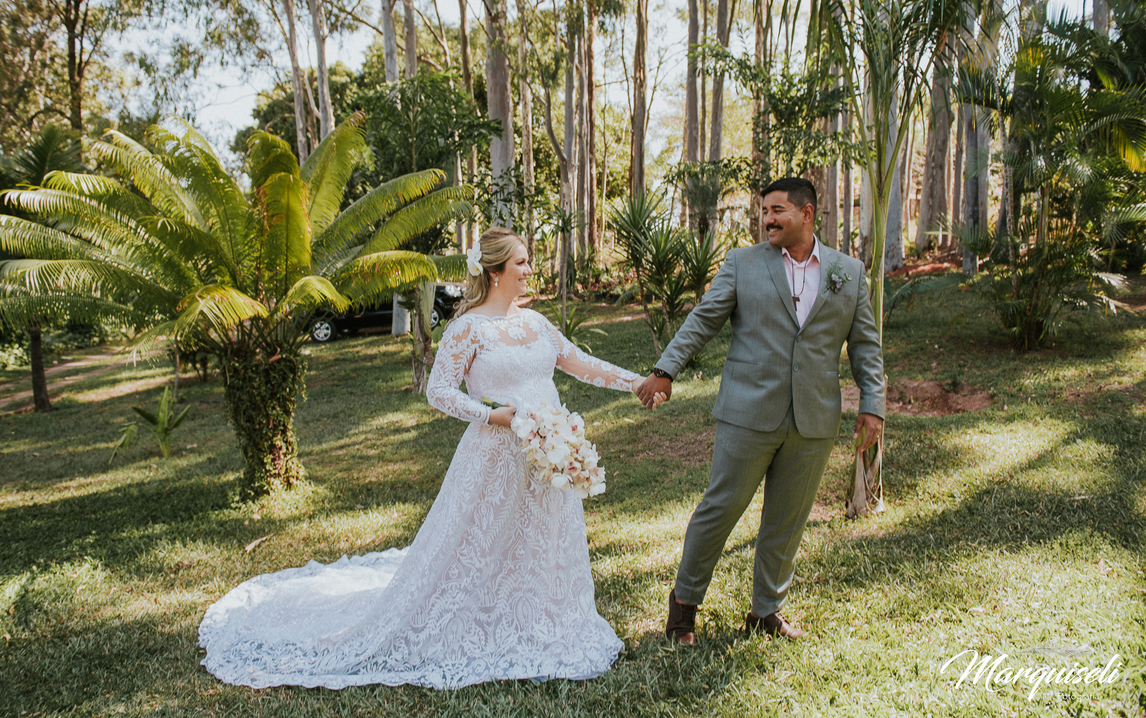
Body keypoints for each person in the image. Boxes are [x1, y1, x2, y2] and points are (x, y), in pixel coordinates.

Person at [199, 226, 655, 689]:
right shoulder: (467, 329)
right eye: (520, 262)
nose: (528, 269)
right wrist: (491, 415)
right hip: (495, 457)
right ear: (495, 272)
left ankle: (545, 619)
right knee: (482, 542)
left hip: (547, 459)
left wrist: (637, 381)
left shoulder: (537, 324)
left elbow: (580, 362)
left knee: (542, 542)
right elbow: (437, 392)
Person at [637, 177, 885, 644]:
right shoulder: (743, 263)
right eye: (764, 212)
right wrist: (665, 369)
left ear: (807, 214)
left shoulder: (847, 272)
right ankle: (683, 611)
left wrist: (872, 406)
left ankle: (765, 611)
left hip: (813, 419)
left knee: (787, 520)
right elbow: (704, 319)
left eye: (777, 211)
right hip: (747, 413)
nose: (767, 219)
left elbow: (866, 347)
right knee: (720, 509)